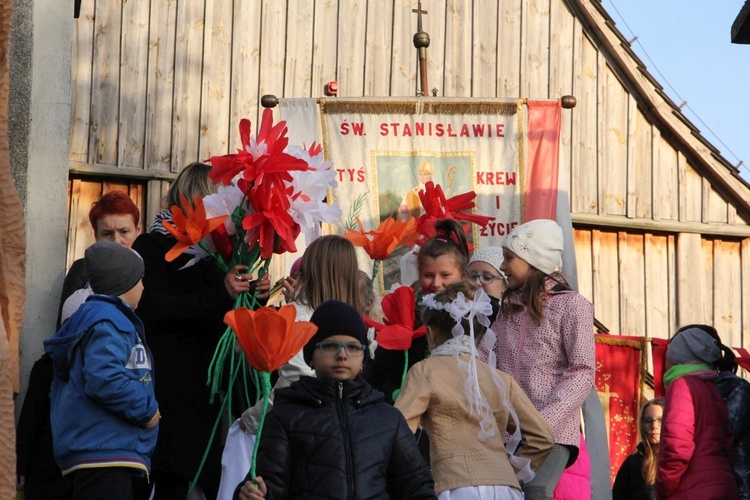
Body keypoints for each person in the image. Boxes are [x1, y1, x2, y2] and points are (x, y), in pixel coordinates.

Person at [133, 162, 269, 499]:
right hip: (170, 392)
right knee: (173, 484)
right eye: (216, 205)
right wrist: (221, 292)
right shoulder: (153, 246)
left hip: (209, 395)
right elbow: (154, 308)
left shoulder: (217, 255)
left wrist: (253, 296)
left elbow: (229, 319)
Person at [234, 300, 436, 499]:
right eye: (330, 346)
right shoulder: (285, 416)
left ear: (364, 358)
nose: (342, 355)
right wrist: (249, 493)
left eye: (353, 347)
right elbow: (268, 484)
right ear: (310, 356)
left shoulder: (388, 419)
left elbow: (415, 485)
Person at [394, 281, 554, 498]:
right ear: (477, 332)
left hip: (455, 485)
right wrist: (512, 473)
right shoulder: (500, 379)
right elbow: (542, 436)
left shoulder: (425, 371)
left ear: (430, 333)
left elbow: (399, 432)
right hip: (506, 489)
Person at [484, 219, 595, 500]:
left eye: (510, 258)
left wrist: (543, 421)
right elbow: (487, 360)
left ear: (533, 260)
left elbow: (582, 371)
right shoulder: (505, 310)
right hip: (507, 431)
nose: (504, 267)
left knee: (535, 491)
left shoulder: (572, 305)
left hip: (552, 432)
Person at [43, 241, 159, 499]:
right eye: (139, 279)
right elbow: (105, 378)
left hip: (105, 453)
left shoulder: (107, 319)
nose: (143, 286)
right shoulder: (108, 320)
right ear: (124, 283)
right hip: (105, 454)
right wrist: (148, 411)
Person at [655, 326, 739, 498]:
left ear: (678, 356)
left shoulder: (682, 385)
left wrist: (664, 486)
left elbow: (677, 446)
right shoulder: (710, 387)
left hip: (692, 489)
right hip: (722, 484)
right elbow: (727, 442)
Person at [673, 324, 750, 499]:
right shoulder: (686, 386)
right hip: (698, 485)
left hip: (737, 485)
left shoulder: (735, 388)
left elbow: (723, 435)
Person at [58, 190, 142, 327]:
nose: (116, 241)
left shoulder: (151, 271)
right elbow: (66, 332)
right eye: (107, 233)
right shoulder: (82, 270)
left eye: (124, 232)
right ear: (96, 236)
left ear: (138, 230)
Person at [612, 398, 665, 500]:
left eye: (660, 420)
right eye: (648, 421)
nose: (654, 426)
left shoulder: (680, 459)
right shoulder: (633, 462)